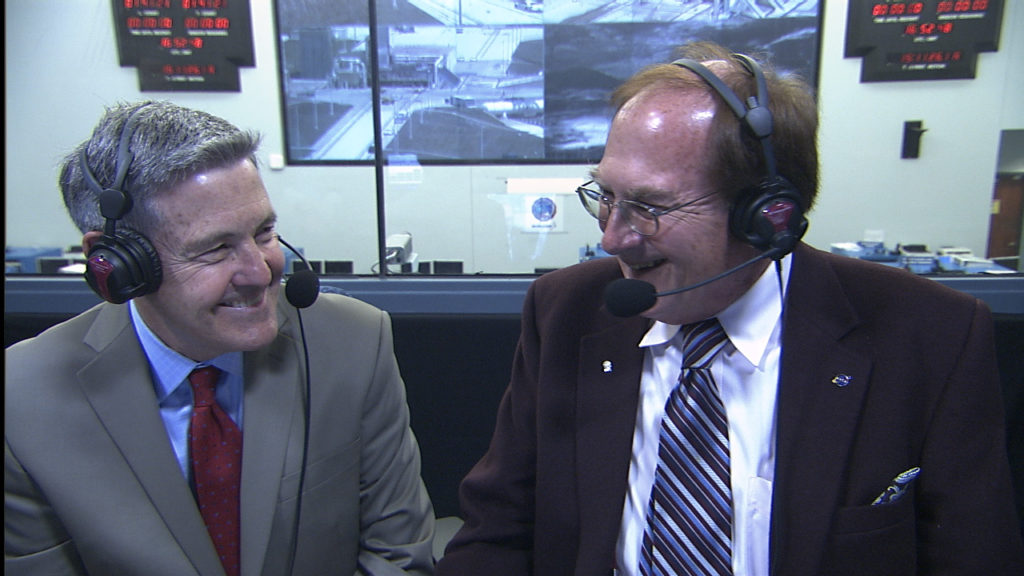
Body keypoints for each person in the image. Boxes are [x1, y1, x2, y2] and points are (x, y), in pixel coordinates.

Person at [435, 41, 1024, 575]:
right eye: (605, 196)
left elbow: (972, 557)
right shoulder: (566, 311)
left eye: (648, 206)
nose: (613, 238)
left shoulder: (929, 335)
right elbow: (496, 533)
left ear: (768, 217)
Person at [5, 101, 436, 575]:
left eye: (264, 232)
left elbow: (396, 559)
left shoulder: (352, 343)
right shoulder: (22, 399)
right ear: (114, 262)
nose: (260, 272)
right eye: (215, 248)